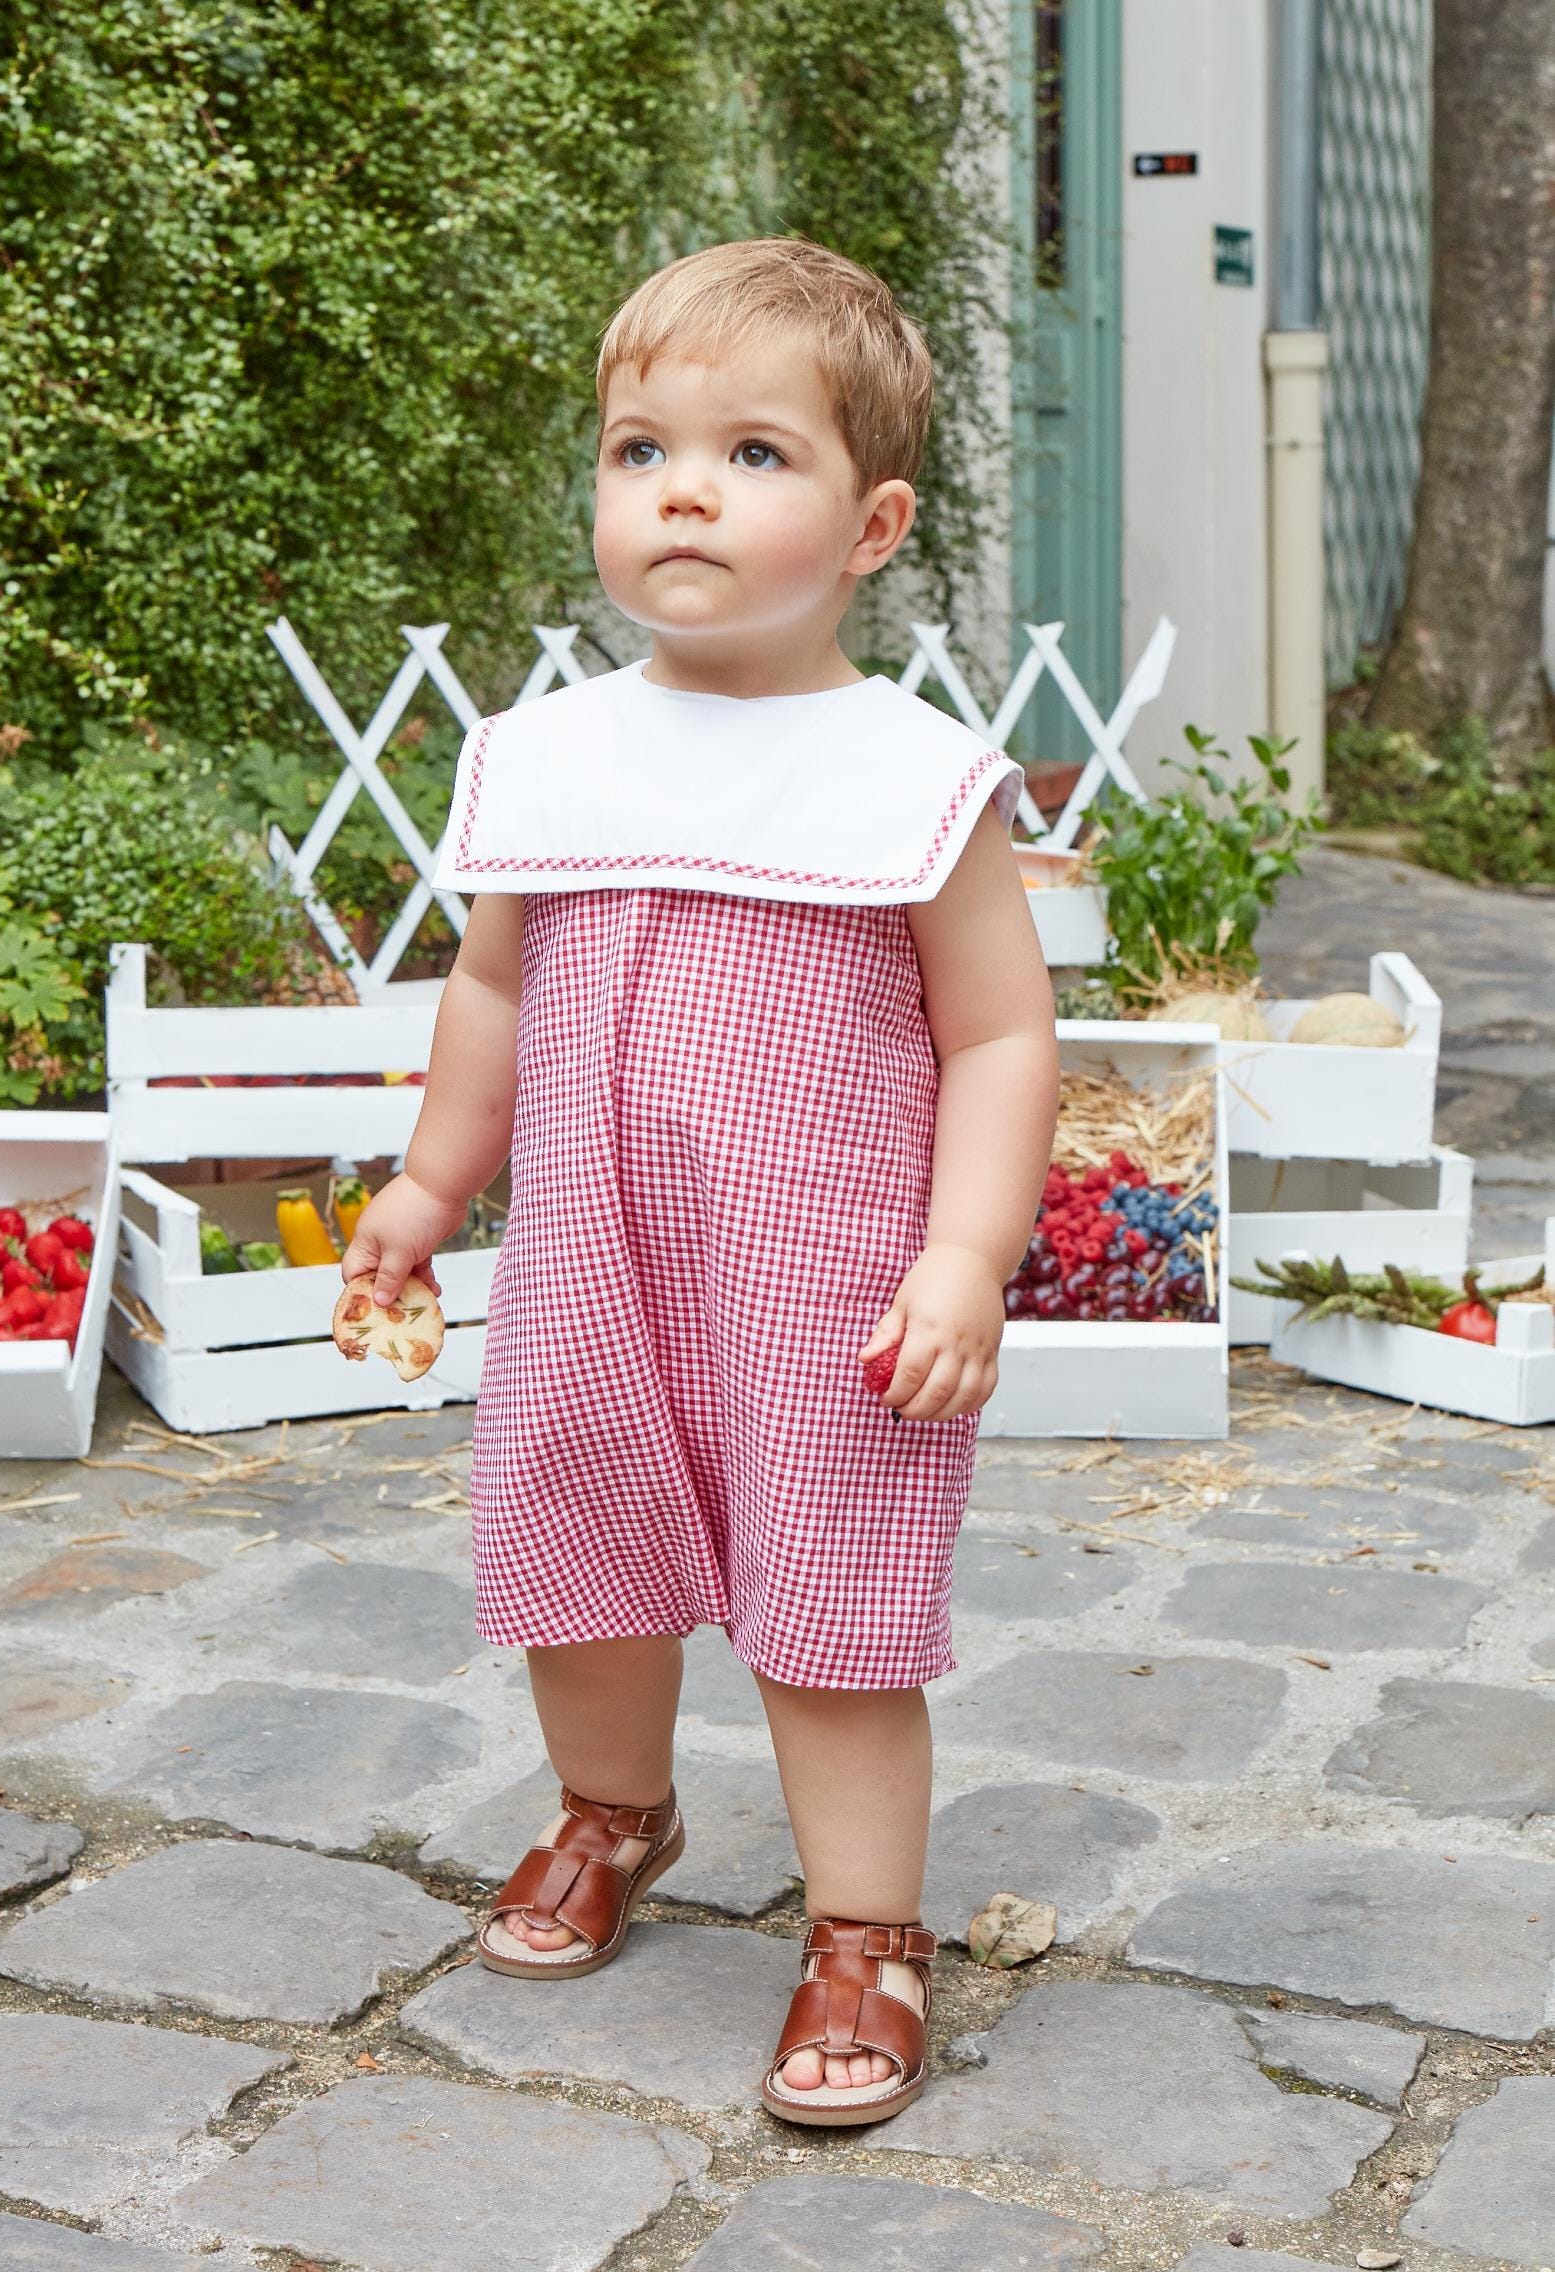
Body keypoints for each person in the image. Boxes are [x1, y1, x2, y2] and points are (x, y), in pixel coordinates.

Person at [342, 236, 1059, 2126]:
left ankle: (865, 1931)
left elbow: (998, 1038)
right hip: (594, 1264)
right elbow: (494, 989)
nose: (680, 487)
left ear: (873, 519)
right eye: (638, 446)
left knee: (832, 1606)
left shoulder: (915, 778)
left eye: (754, 453)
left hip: (827, 1290)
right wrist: (428, 1190)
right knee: (582, 1567)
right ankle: (614, 1813)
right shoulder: (551, 759)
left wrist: (970, 1255)